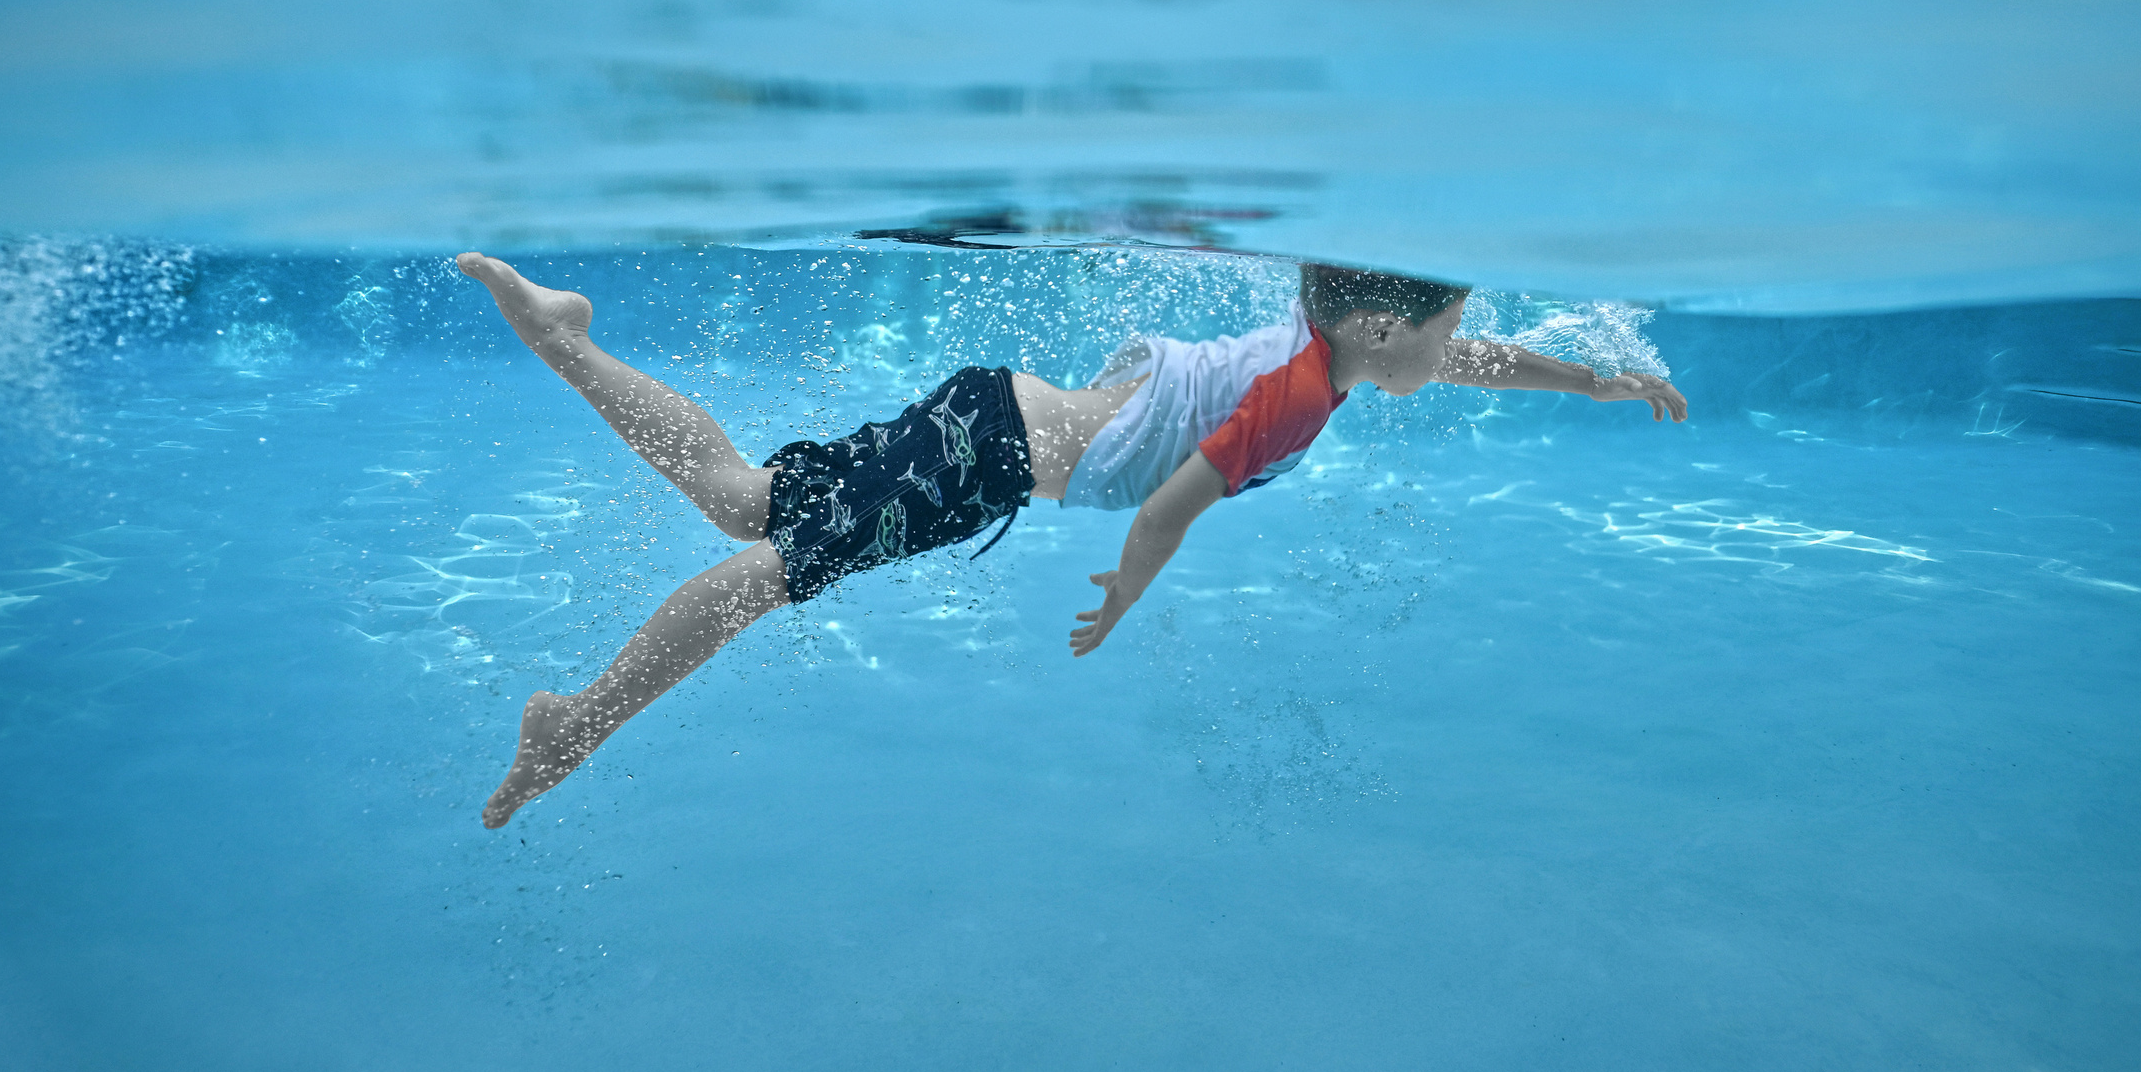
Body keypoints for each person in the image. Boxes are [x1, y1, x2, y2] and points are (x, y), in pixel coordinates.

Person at [454, 253, 1686, 828]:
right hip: (990, 452)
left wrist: (1585, 382)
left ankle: (562, 337)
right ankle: (579, 723)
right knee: (760, 567)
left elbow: (1456, 360)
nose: (1457, 349)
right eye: (1446, 328)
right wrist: (1123, 598)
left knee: (742, 498)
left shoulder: (1334, 353)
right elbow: (1167, 506)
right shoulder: (1300, 397)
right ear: (1373, 324)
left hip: (993, 425)